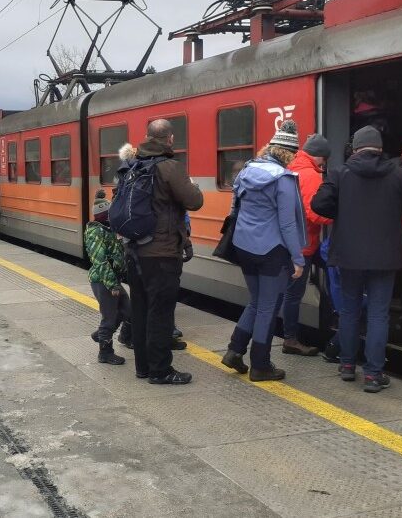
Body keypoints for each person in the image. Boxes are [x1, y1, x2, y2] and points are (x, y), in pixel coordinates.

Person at [312, 125, 402, 393]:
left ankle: (348, 366)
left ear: (356, 148)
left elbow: (318, 205)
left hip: (348, 256)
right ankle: (373, 375)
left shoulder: (339, 174)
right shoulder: (398, 175)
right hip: (385, 258)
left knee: (349, 311)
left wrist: (343, 210)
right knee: (378, 314)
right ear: (380, 149)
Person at [220, 120, 307, 382]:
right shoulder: (284, 180)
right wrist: (298, 258)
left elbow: (234, 209)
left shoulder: (246, 171)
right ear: (288, 153)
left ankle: (234, 351)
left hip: (244, 247)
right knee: (268, 307)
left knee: (256, 302)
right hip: (271, 251)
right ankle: (261, 365)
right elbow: (288, 223)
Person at [123, 119, 203, 385]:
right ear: (169, 139)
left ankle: (143, 367)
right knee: (161, 312)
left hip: (134, 250)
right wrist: (195, 187)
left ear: (146, 137)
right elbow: (194, 201)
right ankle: (160, 370)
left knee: (141, 308)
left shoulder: (132, 165)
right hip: (162, 252)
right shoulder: (170, 168)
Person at [279, 133, 333, 357]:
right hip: (302, 245)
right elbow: (314, 212)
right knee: (293, 294)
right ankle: (290, 339)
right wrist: (335, 217)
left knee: (290, 292)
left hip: (292, 241)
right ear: (321, 157)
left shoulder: (292, 166)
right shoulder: (310, 175)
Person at [85, 195, 130, 366]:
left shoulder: (108, 229)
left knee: (128, 310)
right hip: (103, 281)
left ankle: (101, 334)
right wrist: (112, 284)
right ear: (103, 215)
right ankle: (105, 352)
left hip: (112, 280)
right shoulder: (95, 232)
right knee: (109, 317)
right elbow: (100, 261)